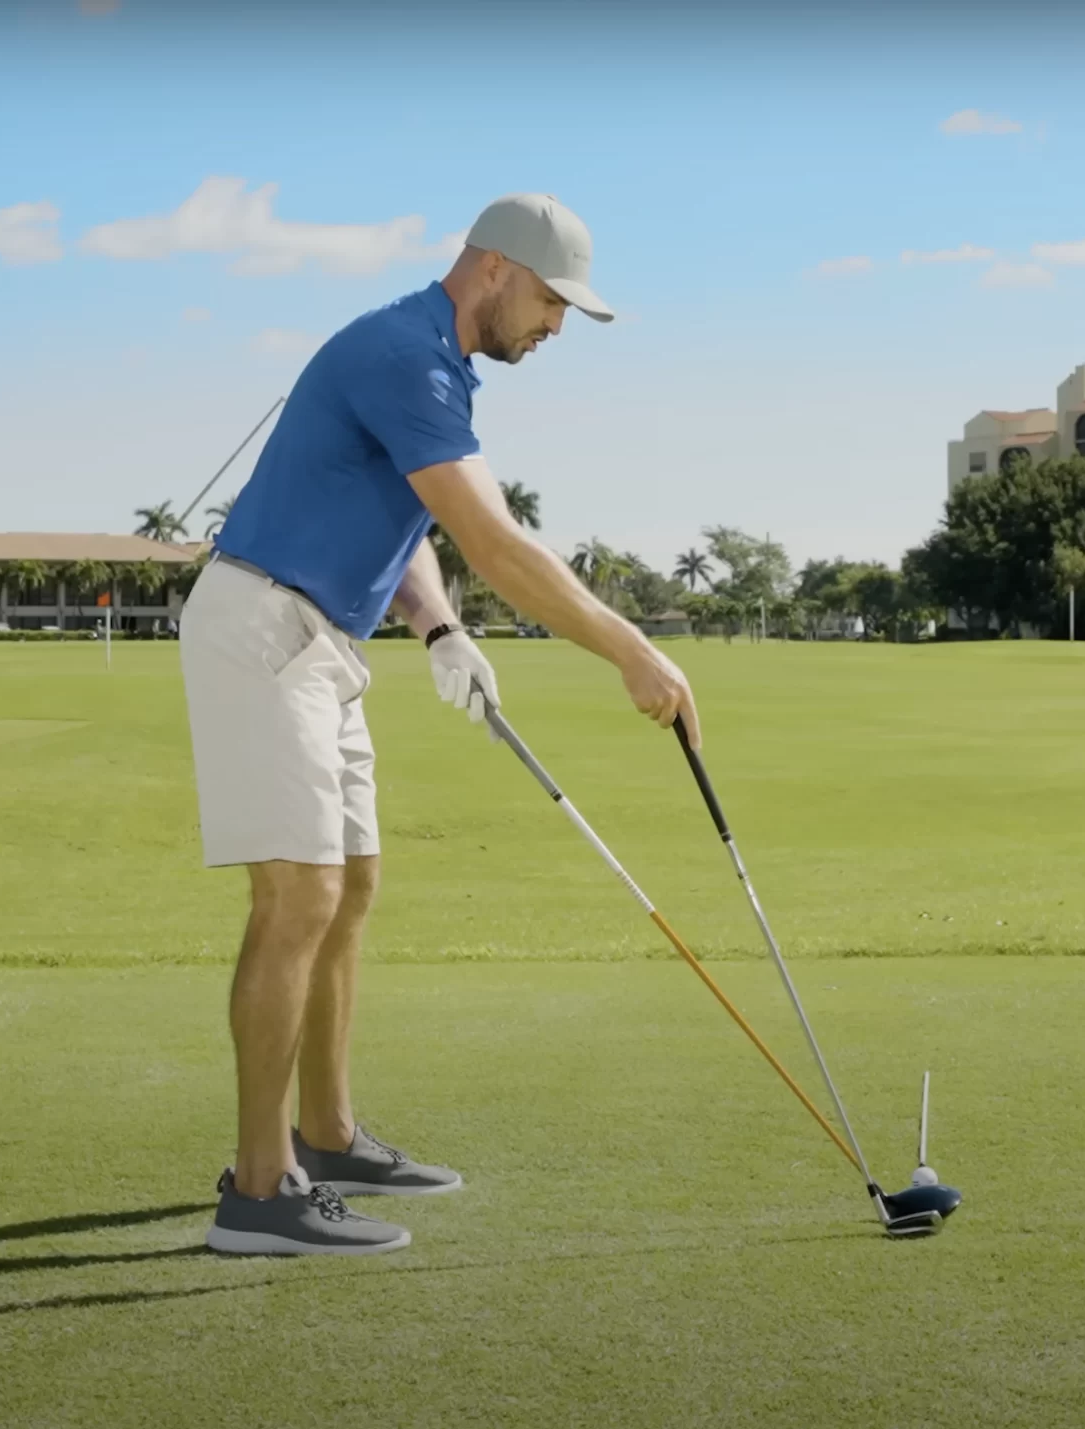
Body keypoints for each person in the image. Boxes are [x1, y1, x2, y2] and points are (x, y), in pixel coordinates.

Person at [179, 193, 698, 1256]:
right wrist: (631, 651)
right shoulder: (403, 357)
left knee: (352, 881)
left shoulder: (437, 365)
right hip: (265, 624)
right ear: (497, 270)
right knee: (298, 893)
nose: (556, 328)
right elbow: (497, 542)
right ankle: (259, 1187)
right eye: (553, 302)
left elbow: (409, 518)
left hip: (327, 641)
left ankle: (324, 1133)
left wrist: (439, 628)